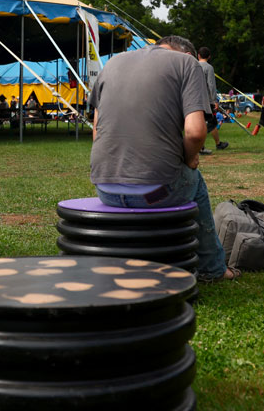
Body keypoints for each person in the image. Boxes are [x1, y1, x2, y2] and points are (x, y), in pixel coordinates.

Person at [88, 35, 238, 282]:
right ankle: (213, 269)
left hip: (105, 190)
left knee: (163, 181)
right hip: (155, 194)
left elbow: (96, 130)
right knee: (194, 182)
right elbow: (195, 132)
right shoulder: (187, 64)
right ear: (188, 55)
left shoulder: (113, 62)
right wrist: (190, 159)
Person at [196, 47, 228, 154]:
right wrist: (215, 100)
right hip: (207, 100)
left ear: (198, 55)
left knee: (201, 122)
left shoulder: (193, 66)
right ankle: (210, 145)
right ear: (209, 57)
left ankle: (212, 145)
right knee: (211, 122)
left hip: (195, 99)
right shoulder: (208, 68)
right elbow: (211, 85)